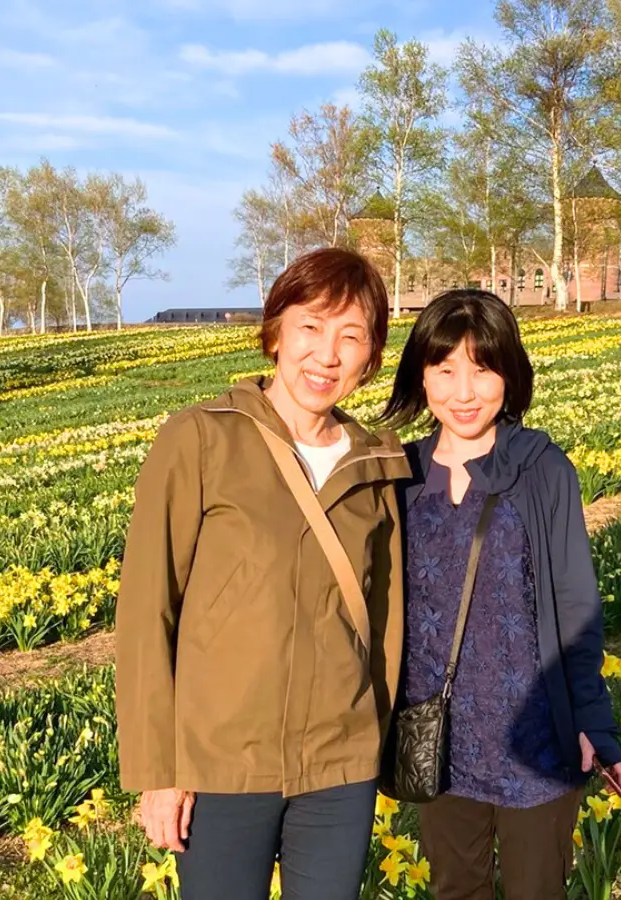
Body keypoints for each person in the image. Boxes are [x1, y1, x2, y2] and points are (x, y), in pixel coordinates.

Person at [115, 248, 409, 900]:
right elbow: (146, 613)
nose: (326, 355)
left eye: (351, 336)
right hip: (221, 765)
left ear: (371, 357)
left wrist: (374, 740)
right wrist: (158, 770)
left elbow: (385, 623)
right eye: (311, 327)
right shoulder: (201, 440)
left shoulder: (376, 466)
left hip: (338, 768)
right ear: (275, 332)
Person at [381, 289, 621, 900]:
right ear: (421, 376)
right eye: (445, 370)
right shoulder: (399, 476)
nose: (464, 392)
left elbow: (576, 604)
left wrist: (593, 722)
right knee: (455, 890)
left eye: (483, 369)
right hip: (438, 738)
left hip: (534, 738)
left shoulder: (542, 469)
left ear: (510, 374)